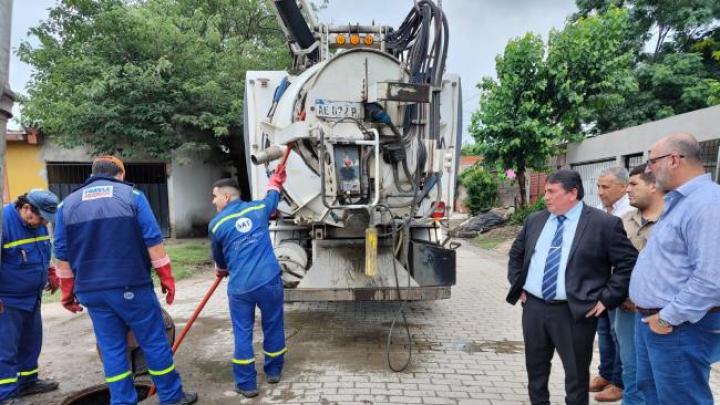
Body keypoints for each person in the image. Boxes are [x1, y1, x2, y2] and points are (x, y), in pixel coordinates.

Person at [53, 156, 197, 405]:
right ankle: (172, 397)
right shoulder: (132, 197)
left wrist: (67, 293)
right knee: (153, 342)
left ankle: (122, 401)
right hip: (131, 287)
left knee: (111, 348)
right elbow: (154, 243)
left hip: (92, 292)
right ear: (120, 174)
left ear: (93, 174)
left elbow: (62, 256)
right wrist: (167, 279)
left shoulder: (66, 205)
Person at [507, 169, 637, 405]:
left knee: (576, 377)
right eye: (546, 191)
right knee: (535, 371)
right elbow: (516, 254)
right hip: (534, 308)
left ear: (572, 193)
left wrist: (607, 298)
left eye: (551, 191)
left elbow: (627, 263)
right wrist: (519, 285)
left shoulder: (603, 224)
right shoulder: (535, 220)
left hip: (575, 311)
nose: (546, 197)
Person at [630, 133, 720, 404]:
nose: (648, 169)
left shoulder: (708, 204)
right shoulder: (679, 201)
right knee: (652, 396)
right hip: (654, 323)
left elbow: (711, 278)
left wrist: (667, 318)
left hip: (678, 328)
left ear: (673, 160)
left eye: (652, 162)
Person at [208, 164, 287, 398]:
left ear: (226, 196)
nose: (213, 201)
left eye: (215, 196)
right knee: (273, 324)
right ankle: (273, 371)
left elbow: (220, 260)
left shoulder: (217, 225)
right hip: (268, 281)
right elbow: (272, 198)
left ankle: (246, 384)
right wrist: (276, 181)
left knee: (242, 332)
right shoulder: (258, 208)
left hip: (240, 288)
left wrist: (221, 270)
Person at [0, 190, 60, 404]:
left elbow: (44, 249)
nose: (43, 223)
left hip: (32, 297)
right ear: (26, 208)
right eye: (40, 218)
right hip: (7, 301)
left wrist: (51, 271)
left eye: (46, 220)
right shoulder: (3, 224)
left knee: (31, 343)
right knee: (5, 349)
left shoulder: (39, 224)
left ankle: (28, 382)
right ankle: (5, 395)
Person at [616, 163, 664, 405]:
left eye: (634, 184)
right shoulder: (623, 221)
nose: (628, 190)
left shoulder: (671, 221)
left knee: (661, 374)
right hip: (626, 308)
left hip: (663, 313)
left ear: (653, 185)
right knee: (631, 367)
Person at [592, 166, 634, 402]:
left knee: (619, 335)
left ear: (622, 186)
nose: (600, 191)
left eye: (605, 187)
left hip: (619, 285)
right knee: (604, 331)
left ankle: (619, 382)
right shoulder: (601, 210)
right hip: (601, 283)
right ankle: (605, 373)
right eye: (598, 186)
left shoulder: (629, 212)